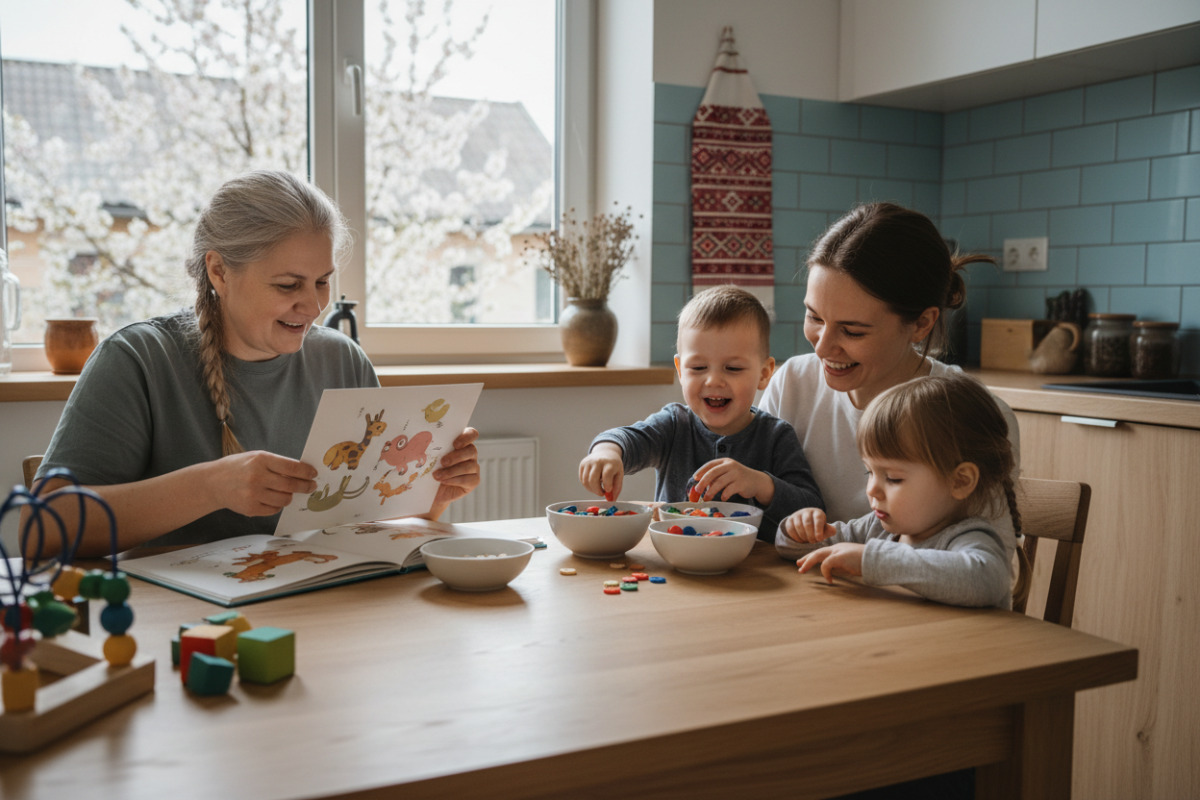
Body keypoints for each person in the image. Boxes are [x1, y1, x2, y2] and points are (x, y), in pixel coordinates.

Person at [24, 170, 480, 557]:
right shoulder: (139, 359)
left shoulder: (342, 360)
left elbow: (360, 526)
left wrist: (426, 501)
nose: (313, 305)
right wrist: (211, 486)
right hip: (179, 630)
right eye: (287, 285)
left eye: (321, 282)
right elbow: (42, 528)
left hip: (317, 614)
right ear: (219, 271)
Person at [761, 201, 1020, 562]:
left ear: (921, 323)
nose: (823, 347)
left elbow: (985, 572)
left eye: (852, 330)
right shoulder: (792, 383)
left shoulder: (971, 415)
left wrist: (869, 564)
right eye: (814, 317)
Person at [579, 285, 823, 542]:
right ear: (680, 370)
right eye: (698, 367)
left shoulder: (776, 436)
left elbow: (813, 511)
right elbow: (628, 438)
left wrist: (762, 484)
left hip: (753, 573)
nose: (713, 381)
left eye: (733, 368)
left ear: (764, 374)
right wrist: (606, 452)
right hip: (676, 565)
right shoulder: (674, 425)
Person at [780, 373, 1027, 610]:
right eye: (869, 472)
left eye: (894, 478)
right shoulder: (874, 529)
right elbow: (793, 549)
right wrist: (796, 530)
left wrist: (873, 560)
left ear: (960, 481)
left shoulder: (969, 538)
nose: (872, 489)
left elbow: (985, 581)